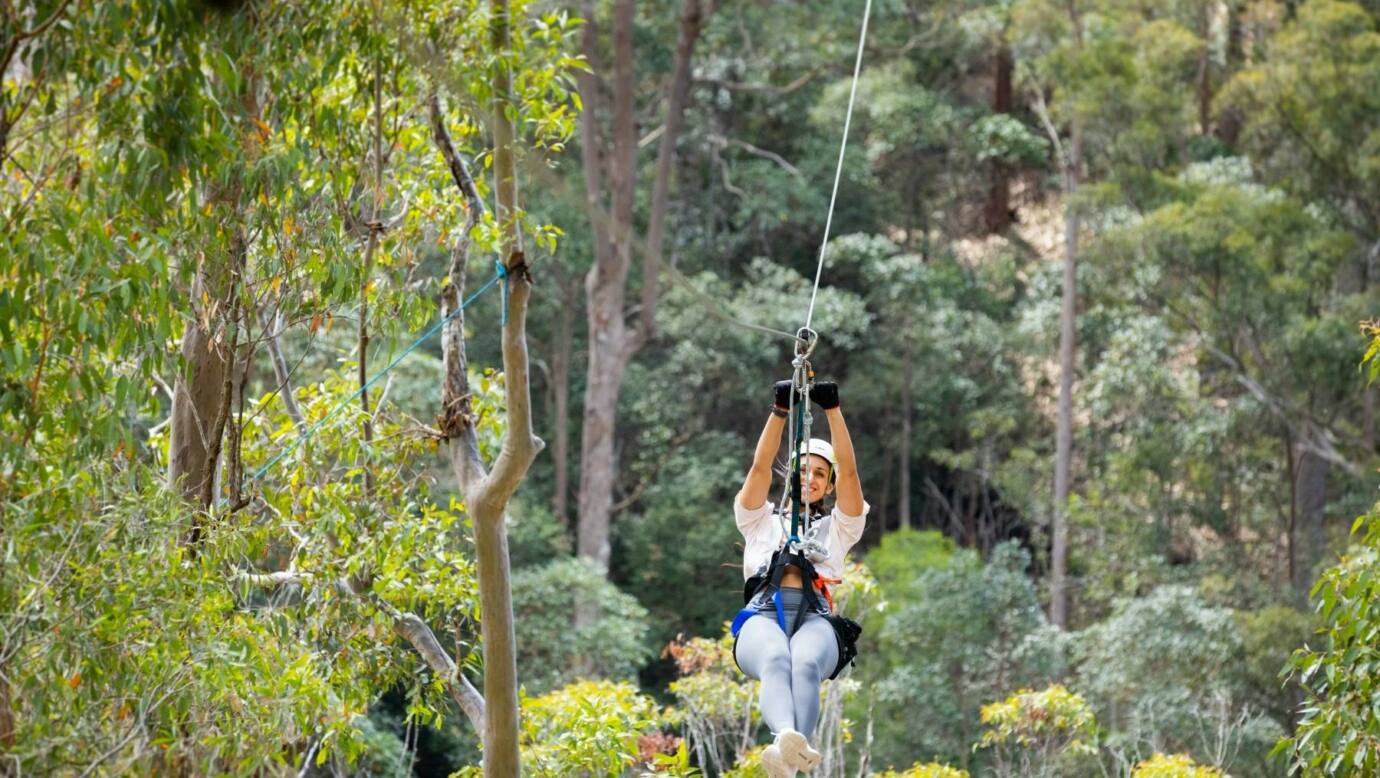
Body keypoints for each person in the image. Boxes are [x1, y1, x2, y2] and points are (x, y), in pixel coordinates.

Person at [732, 379, 868, 777]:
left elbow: (852, 477)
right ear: (791, 473)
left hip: (815, 617)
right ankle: (788, 743)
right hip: (763, 615)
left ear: (828, 484)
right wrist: (779, 412)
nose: (810, 478)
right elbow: (759, 468)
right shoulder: (760, 522)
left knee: (805, 661)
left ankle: (791, 754)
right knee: (776, 657)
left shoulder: (838, 530)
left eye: (820, 474)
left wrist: (833, 412)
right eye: (803, 469)